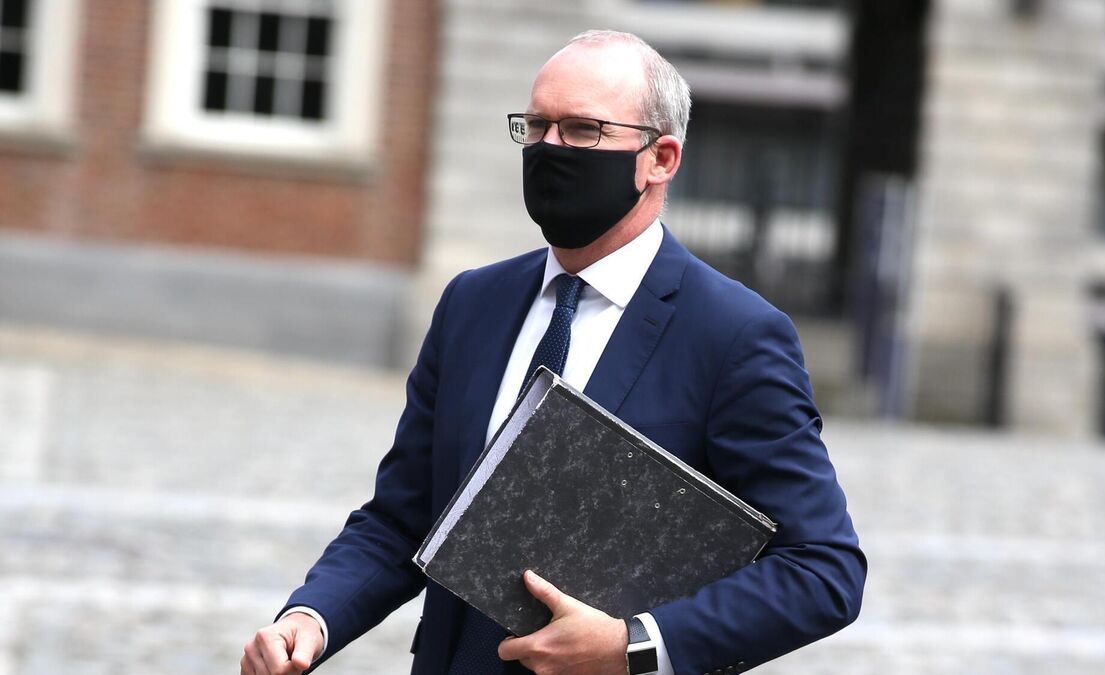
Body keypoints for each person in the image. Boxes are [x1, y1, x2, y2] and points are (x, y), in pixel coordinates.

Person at [240, 29, 866, 675]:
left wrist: (632, 645)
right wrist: (310, 618)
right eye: (537, 126)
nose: (550, 148)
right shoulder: (473, 303)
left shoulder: (734, 335)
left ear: (660, 158)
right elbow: (408, 515)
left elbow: (822, 569)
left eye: (583, 130)